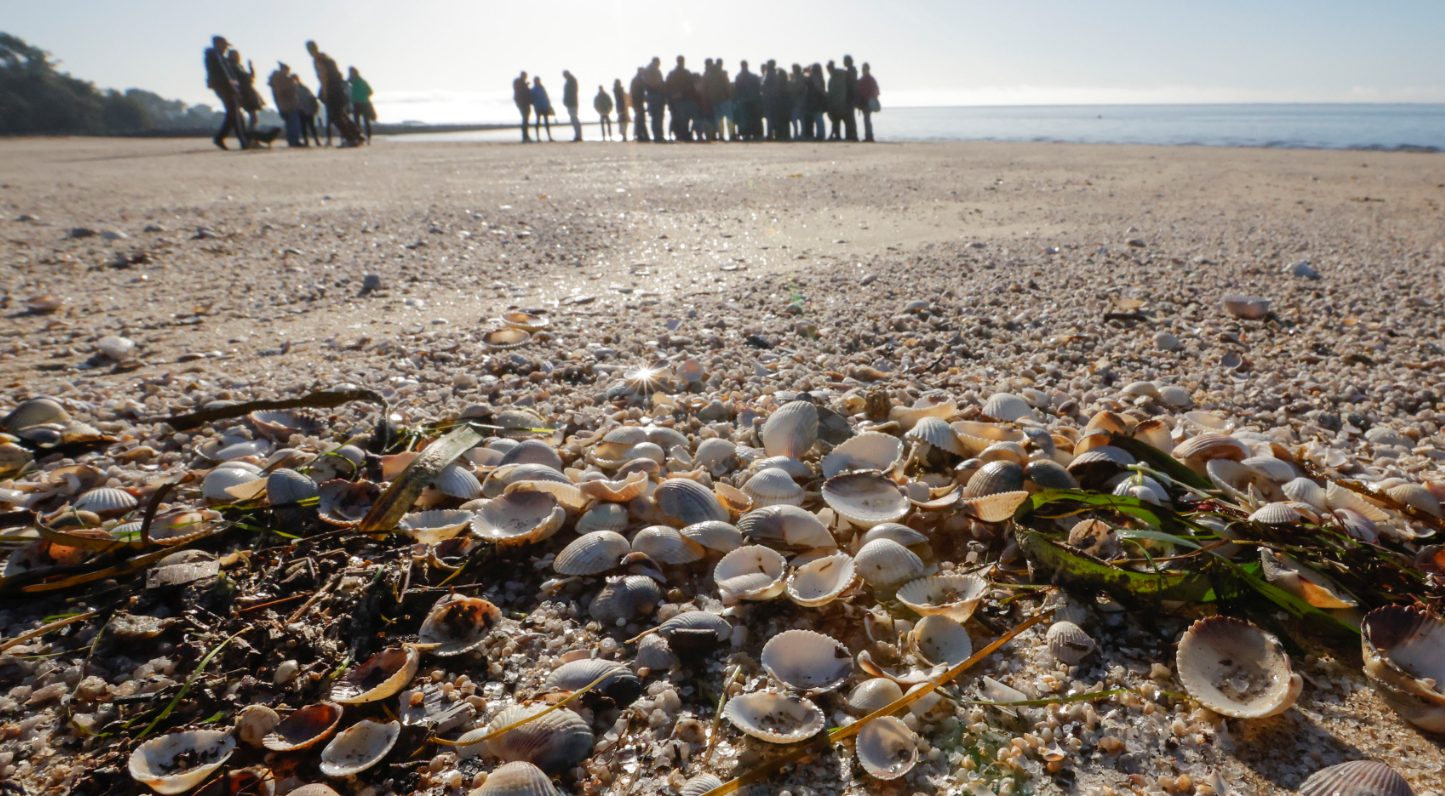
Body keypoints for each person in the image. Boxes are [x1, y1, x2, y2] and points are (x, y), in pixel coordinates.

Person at [306, 39, 360, 146]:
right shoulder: (328, 58)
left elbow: (323, 76)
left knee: (336, 116)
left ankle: (350, 139)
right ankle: (357, 135)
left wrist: (325, 92)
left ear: (309, 50)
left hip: (331, 89)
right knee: (342, 114)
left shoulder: (318, 60)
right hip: (338, 88)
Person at [203, 36, 247, 150]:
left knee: (234, 113)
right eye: (224, 45)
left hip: (226, 87)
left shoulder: (219, 57)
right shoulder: (215, 56)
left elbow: (229, 75)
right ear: (218, 44)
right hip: (224, 87)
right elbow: (224, 74)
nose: (226, 48)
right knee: (234, 112)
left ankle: (226, 138)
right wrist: (233, 88)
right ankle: (242, 140)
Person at [228, 49, 263, 133]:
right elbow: (237, 80)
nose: (238, 57)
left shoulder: (239, 66)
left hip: (248, 92)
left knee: (253, 117)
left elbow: (250, 78)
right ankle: (250, 137)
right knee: (253, 117)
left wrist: (251, 68)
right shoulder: (232, 67)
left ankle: (251, 137)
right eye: (236, 55)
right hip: (244, 93)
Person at [268, 62, 303, 147]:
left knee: (289, 123)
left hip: (283, 105)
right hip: (289, 105)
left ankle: (292, 140)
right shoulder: (283, 79)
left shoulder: (276, 80)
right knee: (294, 123)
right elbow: (287, 92)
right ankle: (294, 141)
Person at [665, 56, 693, 141]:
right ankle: (682, 135)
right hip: (683, 99)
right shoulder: (686, 73)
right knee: (683, 119)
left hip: (675, 100)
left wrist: (669, 99)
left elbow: (667, 87)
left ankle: (678, 134)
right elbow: (690, 87)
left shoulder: (672, 74)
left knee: (676, 118)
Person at [733, 59, 761, 141]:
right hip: (753, 100)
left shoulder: (739, 77)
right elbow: (758, 88)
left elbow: (736, 89)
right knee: (753, 118)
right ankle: (755, 134)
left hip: (743, 100)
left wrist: (736, 99)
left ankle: (746, 134)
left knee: (745, 119)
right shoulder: (753, 76)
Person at [705, 57, 732, 141]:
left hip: (714, 99)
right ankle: (731, 135)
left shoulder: (708, 74)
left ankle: (721, 135)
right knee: (729, 118)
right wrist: (730, 96)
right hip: (724, 99)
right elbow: (727, 86)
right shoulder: (722, 73)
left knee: (718, 119)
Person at [348, 67, 375, 143]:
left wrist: (361, 96)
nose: (350, 75)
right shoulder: (357, 82)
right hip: (360, 103)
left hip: (361, 103)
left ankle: (364, 137)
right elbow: (370, 92)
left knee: (361, 121)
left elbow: (370, 92)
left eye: (351, 73)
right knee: (360, 121)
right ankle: (363, 137)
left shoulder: (359, 82)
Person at [294, 75, 321, 145]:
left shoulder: (300, 88)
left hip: (306, 110)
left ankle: (313, 140)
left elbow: (311, 98)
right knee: (307, 126)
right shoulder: (304, 88)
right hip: (304, 110)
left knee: (308, 126)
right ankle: (311, 141)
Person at [644, 57, 665, 143]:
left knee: (655, 117)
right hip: (655, 96)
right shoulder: (653, 70)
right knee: (657, 117)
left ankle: (658, 135)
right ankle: (658, 136)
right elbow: (654, 83)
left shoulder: (649, 70)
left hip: (652, 96)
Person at [857, 62, 879, 142]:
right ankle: (868, 136)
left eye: (864, 69)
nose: (863, 70)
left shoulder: (869, 79)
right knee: (867, 119)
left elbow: (876, 90)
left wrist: (873, 98)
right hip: (865, 101)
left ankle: (869, 136)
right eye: (863, 69)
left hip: (868, 101)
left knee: (867, 119)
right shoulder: (864, 79)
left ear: (868, 69)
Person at [806, 63, 827, 141]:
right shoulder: (820, 76)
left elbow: (818, 87)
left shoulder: (814, 77)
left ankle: (820, 135)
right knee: (818, 117)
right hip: (818, 100)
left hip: (815, 100)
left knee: (818, 118)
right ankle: (821, 134)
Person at [826, 60, 846, 141]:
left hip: (837, 101)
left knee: (836, 120)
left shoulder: (836, 76)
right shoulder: (837, 76)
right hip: (838, 101)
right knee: (836, 120)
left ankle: (835, 135)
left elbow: (834, 90)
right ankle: (836, 135)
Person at [530, 76, 554, 141]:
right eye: (536, 80)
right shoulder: (533, 89)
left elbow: (546, 97)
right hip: (538, 107)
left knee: (546, 122)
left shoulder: (542, 88)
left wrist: (549, 105)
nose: (537, 81)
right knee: (538, 122)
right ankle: (538, 138)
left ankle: (549, 137)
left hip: (544, 106)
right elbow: (532, 99)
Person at [843, 55, 860, 142]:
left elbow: (852, 83)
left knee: (850, 117)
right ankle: (850, 134)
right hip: (850, 96)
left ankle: (852, 135)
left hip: (850, 96)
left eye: (845, 60)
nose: (844, 62)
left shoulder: (851, 71)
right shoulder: (851, 71)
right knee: (849, 117)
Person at [629, 67, 649, 142]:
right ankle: (641, 136)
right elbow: (639, 93)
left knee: (640, 119)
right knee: (640, 119)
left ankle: (641, 135)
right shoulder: (638, 80)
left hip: (637, 102)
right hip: (637, 103)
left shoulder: (636, 80)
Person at [562, 70, 582, 142]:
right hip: (571, 102)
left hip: (572, 103)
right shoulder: (571, 80)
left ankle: (578, 136)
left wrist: (567, 100)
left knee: (574, 119)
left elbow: (571, 92)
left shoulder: (571, 81)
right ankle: (577, 135)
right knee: (573, 118)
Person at [788, 63, 806, 139]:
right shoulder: (797, 77)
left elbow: (799, 88)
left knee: (795, 118)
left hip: (799, 100)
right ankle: (800, 134)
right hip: (797, 101)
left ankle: (798, 134)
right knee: (800, 118)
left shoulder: (800, 77)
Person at [513, 71, 532, 142]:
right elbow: (522, 92)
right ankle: (525, 137)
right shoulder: (519, 82)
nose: (526, 77)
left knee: (525, 119)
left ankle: (526, 137)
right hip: (523, 103)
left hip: (523, 103)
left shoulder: (520, 82)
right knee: (525, 119)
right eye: (525, 76)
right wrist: (526, 86)